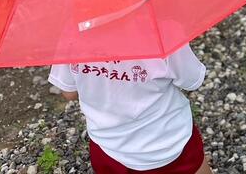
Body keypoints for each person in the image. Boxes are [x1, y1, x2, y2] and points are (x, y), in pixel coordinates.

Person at [49, 44, 214, 174]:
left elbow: (69, 92)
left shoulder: (70, 39)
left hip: (109, 147)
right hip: (169, 143)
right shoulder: (163, 32)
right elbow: (192, 80)